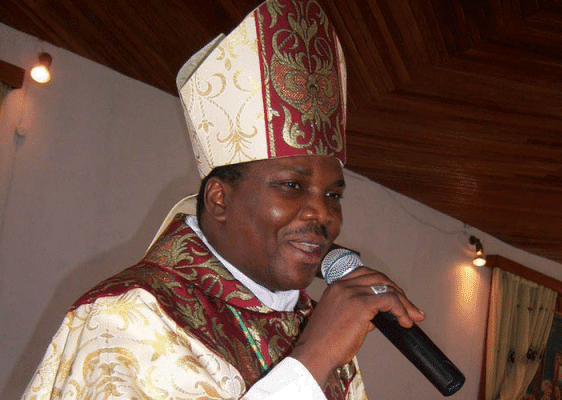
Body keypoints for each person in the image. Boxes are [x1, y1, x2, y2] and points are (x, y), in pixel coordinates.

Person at [21, 0, 425, 399]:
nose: (322, 212)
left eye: (333, 194)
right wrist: (313, 362)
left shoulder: (311, 321)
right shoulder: (127, 317)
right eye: (291, 186)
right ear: (218, 199)